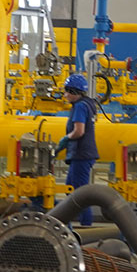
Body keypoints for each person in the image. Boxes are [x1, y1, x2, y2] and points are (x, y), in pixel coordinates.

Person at [57, 74, 100, 226]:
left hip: (81, 154)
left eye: (67, 91)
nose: (65, 95)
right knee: (70, 188)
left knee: (80, 193)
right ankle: (68, 222)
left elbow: (79, 131)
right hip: (82, 154)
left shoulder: (80, 106)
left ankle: (85, 226)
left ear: (74, 92)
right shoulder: (87, 104)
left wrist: (66, 139)